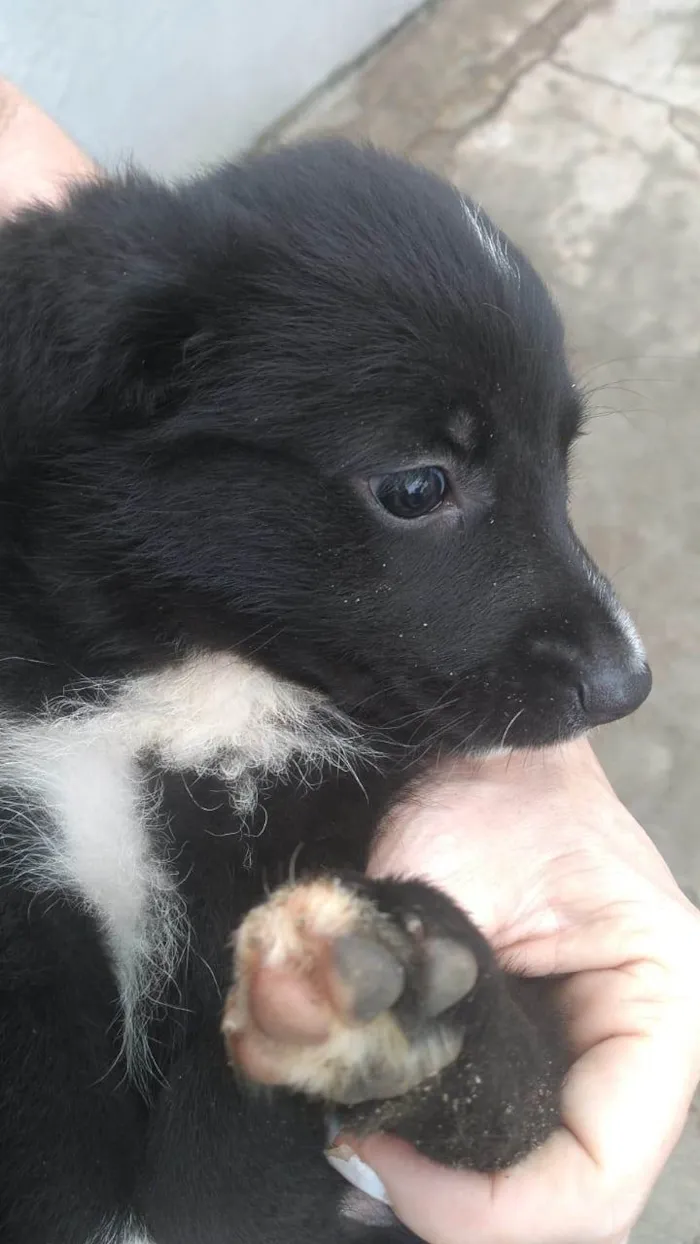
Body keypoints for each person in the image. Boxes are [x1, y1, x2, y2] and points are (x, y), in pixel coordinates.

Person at [1, 77, 699, 1244]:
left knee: (389, 993)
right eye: (420, 487)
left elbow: (230, 1191)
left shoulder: (357, 743)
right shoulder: (93, 354)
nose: (610, 664)